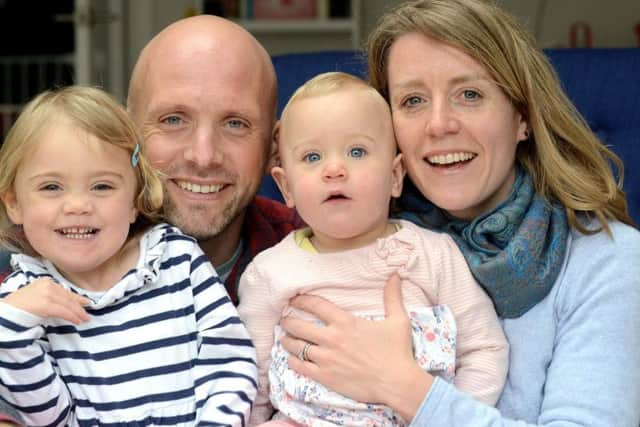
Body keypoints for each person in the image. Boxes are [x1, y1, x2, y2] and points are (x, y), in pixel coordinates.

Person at [275, 1, 640, 426]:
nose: (439, 124)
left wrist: (402, 386)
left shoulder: (609, 262)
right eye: (412, 100)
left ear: (522, 116)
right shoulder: (349, 240)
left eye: (469, 94)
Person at [238, 71, 508, 426]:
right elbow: (249, 377)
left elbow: (484, 349)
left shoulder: (432, 255)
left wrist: (451, 414)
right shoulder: (270, 273)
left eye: (357, 151)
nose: (334, 169)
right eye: (312, 157)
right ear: (286, 186)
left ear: (395, 176)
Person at [0, 86, 257, 426]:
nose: (78, 206)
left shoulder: (176, 259)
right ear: (14, 203)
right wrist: (11, 329)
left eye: (102, 186)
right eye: (51, 187)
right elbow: (52, 418)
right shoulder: (21, 301)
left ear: (136, 199)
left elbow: (230, 363)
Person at [126, 14, 304, 305]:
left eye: (235, 124)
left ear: (275, 146)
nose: (203, 157)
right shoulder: (62, 249)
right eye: (173, 120)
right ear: (126, 132)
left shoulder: (322, 251)